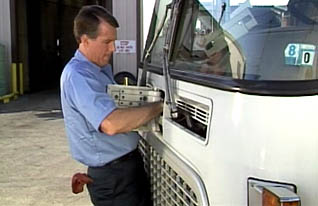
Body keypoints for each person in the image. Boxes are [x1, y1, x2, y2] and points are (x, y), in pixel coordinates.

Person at [60, 5, 163, 206]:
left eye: (114, 41)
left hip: (123, 170)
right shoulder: (79, 76)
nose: (113, 48)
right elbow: (111, 124)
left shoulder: (100, 70)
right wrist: (158, 107)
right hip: (113, 178)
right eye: (107, 42)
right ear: (84, 40)